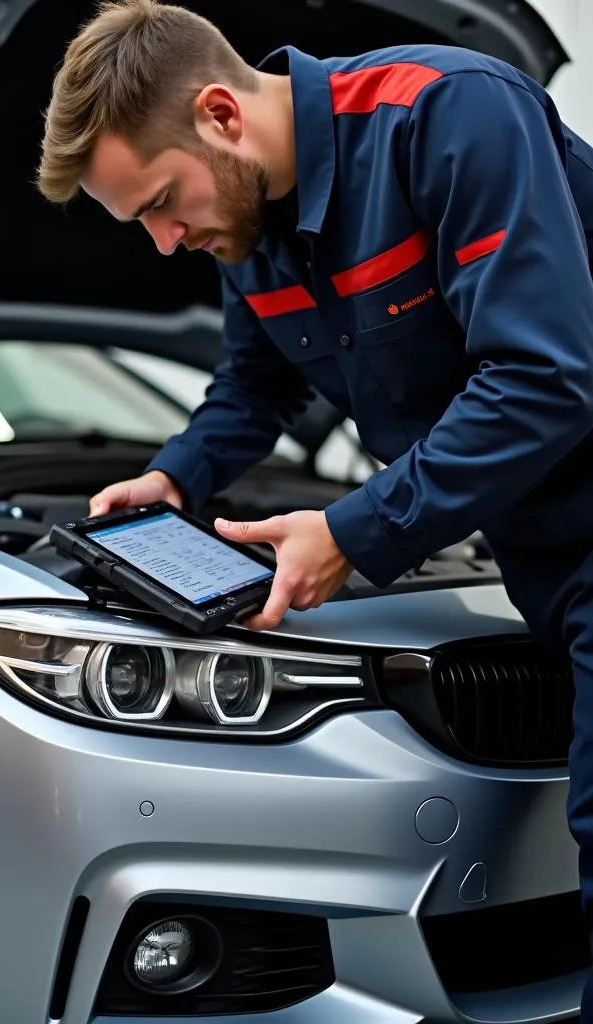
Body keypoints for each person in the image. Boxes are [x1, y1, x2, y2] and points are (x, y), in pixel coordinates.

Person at [35, 0, 593, 1011]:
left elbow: (543, 380)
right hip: (541, 551)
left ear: (219, 113)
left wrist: (352, 532)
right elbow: (254, 386)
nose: (164, 243)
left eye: (161, 202)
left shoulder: (449, 116)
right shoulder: (243, 227)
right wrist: (177, 478)